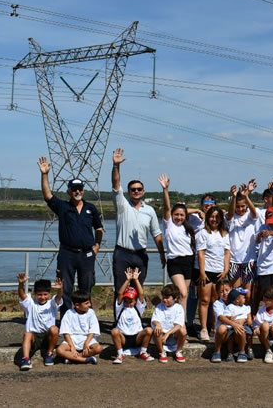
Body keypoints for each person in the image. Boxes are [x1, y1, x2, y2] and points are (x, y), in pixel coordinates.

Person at [37, 157, 103, 314]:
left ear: (83, 190)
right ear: (69, 191)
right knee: (65, 287)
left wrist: (97, 246)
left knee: (86, 287)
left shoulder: (91, 208)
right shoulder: (63, 207)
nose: (77, 191)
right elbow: (47, 196)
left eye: (80, 189)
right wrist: (45, 174)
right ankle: (66, 319)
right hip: (67, 254)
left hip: (87, 254)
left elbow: (99, 228)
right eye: (74, 189)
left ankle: (86, 318)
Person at [110, 148, 163, 293]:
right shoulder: (122, 205)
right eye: (133, 189)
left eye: (139, 189)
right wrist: (116, 165)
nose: (136, 191)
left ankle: (137, 309)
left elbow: (157, 234)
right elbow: (115, 183)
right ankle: (119, 310)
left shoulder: (150, 210)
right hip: (122, 254)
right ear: (128, 192)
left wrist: (162, 255)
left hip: (141, 255)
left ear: (143, 191)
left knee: (138, 290)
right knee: (121, 290)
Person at [157, 174, 195, 316]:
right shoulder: (169, 225)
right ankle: (181, 324)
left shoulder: (188, 228)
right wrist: (165, 190)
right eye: (176, 214)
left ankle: (177, 321)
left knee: (182, 296)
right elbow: (167, 208)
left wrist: (198, 210)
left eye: (182, 215)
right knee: (183, 294)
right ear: (172, 215)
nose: (179, 217)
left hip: (189, 261)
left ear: (185, 216)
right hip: (175, 262)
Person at [196, 205, 231, 342]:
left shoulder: (225, 234)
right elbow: (201, 253)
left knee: (216, 301)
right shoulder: (203, 233)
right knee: (204, 300)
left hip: (219, 271)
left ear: (221, 219)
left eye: (217, 217)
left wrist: (226, 270)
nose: (214, 219)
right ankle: (204, 328)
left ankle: (215, 326)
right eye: (212, 217)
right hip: (206, 271)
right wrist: (202, 272)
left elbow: (227, 253)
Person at [17, 272, 62, 371]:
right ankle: (26, 359)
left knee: (54, 329)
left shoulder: (52, 304)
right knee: (27, 334)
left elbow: (58, 297)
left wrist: (60, 289)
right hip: (34, 337)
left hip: (47, 336)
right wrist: (20, 284)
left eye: (45, 294)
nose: (42, 297)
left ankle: (49, 354)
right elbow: (22, 295)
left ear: (49, 294)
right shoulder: (31, 304)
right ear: (35, 294)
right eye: (39, 294)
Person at [186, 193, 216, 335]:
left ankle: (210, 324)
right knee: (194, 295)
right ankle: (190, 323)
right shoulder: (195, 218)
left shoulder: (216, 218)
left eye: (211, 203)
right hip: (195, 260)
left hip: (212, 262)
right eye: (205, 203)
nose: (208, 205)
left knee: (211, 297)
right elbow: (179, 211)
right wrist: (197, 211)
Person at [110, 267, 154, 363]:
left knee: (149, 330)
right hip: (123, 338)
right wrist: (127, 280)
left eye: (131, 301)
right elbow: (120, 294)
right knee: (114, 331)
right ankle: (120, 354)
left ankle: (143, 352)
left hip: (137, 337)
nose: (128, 303)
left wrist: (136, 280)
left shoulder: (138, 308)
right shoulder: (120, 308)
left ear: (135, 301)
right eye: (126, 301)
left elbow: (141, 294)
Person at [226, 182, 258, 301]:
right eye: (238, 207)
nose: (240, 209)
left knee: (247, 295)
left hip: (248, 259)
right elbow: (230, 215)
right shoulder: (230, 217)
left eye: (243, 206)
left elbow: (254, 212)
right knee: (236, 294)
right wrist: (234, 197)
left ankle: (247, 312)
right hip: (234, 260)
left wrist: (246, 196)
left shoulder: (250, 216)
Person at [55, 289, 102, 364]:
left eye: (89, 302)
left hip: (87, 338)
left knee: (98, 348)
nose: (89, 305)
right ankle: (85, 360)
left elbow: (93, 330)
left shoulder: (91, 312)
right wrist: (72, 347)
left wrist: (86, 343)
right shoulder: (69, 313)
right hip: (72, 339)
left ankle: (73, 358)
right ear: (77, 305)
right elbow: (66, 332)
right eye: (86, 303)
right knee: (59, 350)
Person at [215, 287, 253, 363]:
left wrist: (248, 319)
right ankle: (230, 352)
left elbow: (248, 316)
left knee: (249, 334)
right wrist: (231, 319)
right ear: (237, 300)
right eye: (243, 297)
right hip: (232, 326)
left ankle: (247, 350)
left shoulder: (246, 307)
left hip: (244, 325)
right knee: (231, 338)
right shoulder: (230, 307)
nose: (245, 298)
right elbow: (225, 316)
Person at [151, 284, 187, 364]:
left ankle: (178, 351)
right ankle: (162, 352)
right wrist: (157, 324)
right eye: (163, 297)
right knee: (157, 329)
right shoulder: (159, 306)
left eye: (167, 298)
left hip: (173, 335)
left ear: (175, 298)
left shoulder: (178, 308)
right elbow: (154, 319)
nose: (164, 300)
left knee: (183, 331)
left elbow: (178, 324)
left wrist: (167, 334)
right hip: (161, 335)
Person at [209, 280, 233, 362]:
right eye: (221, 291)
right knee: (222, 328)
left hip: (233, 331)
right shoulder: (217, 303)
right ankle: (217, 351)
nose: (225, 293)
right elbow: (221, 317)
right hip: (222, 334)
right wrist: (233, 322)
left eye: (227, 290)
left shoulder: (236, 302)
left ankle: (236, 352)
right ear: (217, 293)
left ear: (231, 289)